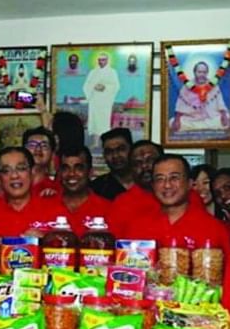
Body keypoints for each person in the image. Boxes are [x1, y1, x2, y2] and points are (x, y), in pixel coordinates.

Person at [124, 154, 230, 308]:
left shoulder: (215, 229)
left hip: (197, 322)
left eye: (174, 177)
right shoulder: (136, 227)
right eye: (160, 179)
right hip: (147, 318)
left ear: (189, 184)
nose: (167, 185)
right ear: (153, 185)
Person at [0, 146, 64, 237]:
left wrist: (45, 241)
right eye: (6, 171)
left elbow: (69, 244)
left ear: (32, 173)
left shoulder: (55, 209)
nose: (14, 175)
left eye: (21, 168)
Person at [107, 139, 163, 236]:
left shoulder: (182, 196)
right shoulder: (122, 203)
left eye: (150, 160)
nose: (144, 166)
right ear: (131, 170)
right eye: (137, 164)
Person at [57, 145, 111, 235]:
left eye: (79, 168)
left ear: (90, 172)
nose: (71, 173)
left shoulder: (108, 209)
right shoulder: (45, 205)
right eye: (65, 168)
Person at [171, 61, 230, 133]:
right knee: (172, 122)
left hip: (210, 118)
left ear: (207, 73)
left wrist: (224, 116)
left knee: (228, 117)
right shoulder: (187, 87)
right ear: (194, 72)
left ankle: (201, 127)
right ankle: (206, 128)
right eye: (199, 72)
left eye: (204, 72)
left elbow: (220, 103)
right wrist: (177, 120)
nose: (202, 74)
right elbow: (180, 105)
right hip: (192, 119)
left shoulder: (213, 86)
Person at [83, 52, 120, 142]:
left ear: (107, 60)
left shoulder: (112, 72)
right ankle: (95, 142)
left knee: (103, 122)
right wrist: (93, 86)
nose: (101, 62)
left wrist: (105, 87)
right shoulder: (93, 72)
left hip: (105, 102)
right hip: (95, 101)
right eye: (99, 60)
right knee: (95, 122)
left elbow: (116, 86)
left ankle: (105, 142)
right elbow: (86, 85)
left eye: (103, 60)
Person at [90, 127, 134, 201]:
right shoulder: (97, 188)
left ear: (132, 150)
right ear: (104, 155)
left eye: (121, 149)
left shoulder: (147, 183)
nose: (115, 156)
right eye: (109, 152)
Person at [22, 126, 60, 195]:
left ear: (52, 153)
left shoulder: (57, 189)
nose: (38, 149)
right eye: (32, 145)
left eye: (44, 146)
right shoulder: (12, 184)